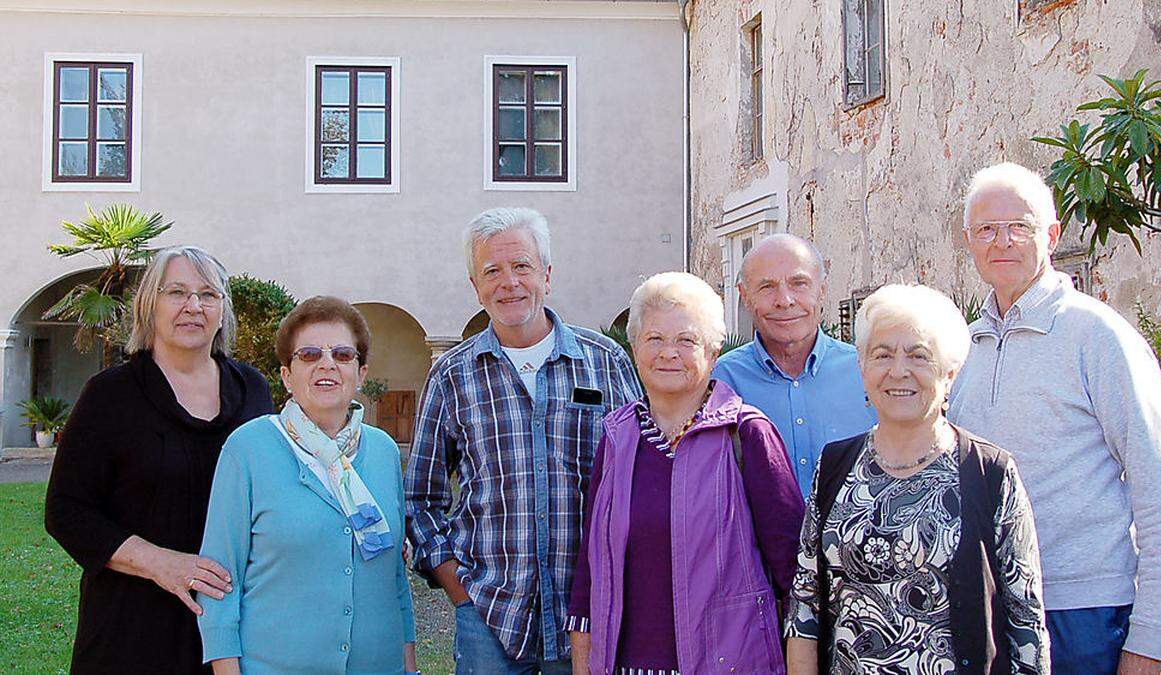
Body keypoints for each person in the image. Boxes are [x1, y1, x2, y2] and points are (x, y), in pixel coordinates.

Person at [949, 162, 1161, 675]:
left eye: (1019, 226)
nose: (1003, 242)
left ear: (1052, 234)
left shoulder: (1098, 336)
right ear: (968, 241)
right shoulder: (964, 346)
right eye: (987, 230)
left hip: (1085, 614)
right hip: (992, 611)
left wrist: (1151, 641)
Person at [405, 207, 642, 673]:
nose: (508, 282)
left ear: (547, 275)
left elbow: (643, 474)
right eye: (492, 271)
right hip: (490, 615)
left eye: (522, 267)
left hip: (590, 610)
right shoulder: (452, 376)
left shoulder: (605, 362)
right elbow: (420, 497)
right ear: (476, 286)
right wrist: (460, 589)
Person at [785, 283, 1050, 674]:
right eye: (883, 354)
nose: (898, 371)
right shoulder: (836, 465)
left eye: (918, 355)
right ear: (862, 369)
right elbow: (805, 602)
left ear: (950, 373)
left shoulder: (990, 472)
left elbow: (1025, 620)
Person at [44, 246, 273, 674]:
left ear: (223, 311)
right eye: (177, 292)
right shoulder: (109, 395)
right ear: (149, 305)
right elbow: (66, 510)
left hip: (236, 627)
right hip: (132, 628)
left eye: (208, 295)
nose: (193, 306)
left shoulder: (253, 390)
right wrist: (162, 563)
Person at [566, 272, 803, 675]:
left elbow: (794, 572)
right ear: (635, 348)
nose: (668, 353)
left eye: (686, 340)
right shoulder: (618, 437)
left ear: (713, 353)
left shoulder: (746, 434)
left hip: (730, 665)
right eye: (654, 339)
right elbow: (590, 571)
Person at [197, 296, 418, 674]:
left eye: (343, 355)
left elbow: (393, 577)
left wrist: (409, 666)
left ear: (361, 372)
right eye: (310, 354)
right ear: (287, 375)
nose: (327, 363)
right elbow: (219, 581)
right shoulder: (248, 449)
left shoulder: (382, 451)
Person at [713, 234, 875, 494]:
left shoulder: (867, 373)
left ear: (822, 289)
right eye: (767, 286)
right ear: (744, 295)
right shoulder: (721, 382)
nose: (784, 300)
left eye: (799, 283)